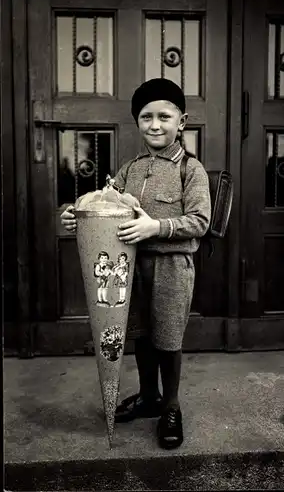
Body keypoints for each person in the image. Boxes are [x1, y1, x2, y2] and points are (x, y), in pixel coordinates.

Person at [60, 78, 211, 449]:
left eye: (164, 116)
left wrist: (154, 226)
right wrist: (78, 216)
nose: (155, 124)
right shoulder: (129, 168)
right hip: (130, 267)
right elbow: (107, 206)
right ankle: (148, 396)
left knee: (168, 338)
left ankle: (171, 405)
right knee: (141, 334)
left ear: (182, 121)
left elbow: (200, 221)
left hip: (172, 267)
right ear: (137, 122)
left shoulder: (191, 170)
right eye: (146, 117)